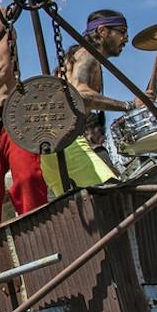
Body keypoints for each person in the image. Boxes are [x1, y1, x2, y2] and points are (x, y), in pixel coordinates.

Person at [43, 10, 129, 191]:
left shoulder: (79, 56)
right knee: (113, 195)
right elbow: (80, 94)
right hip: (67, 142)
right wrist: (127, 106)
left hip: (54, 144)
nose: (126, 39)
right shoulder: (88, 55)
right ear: (103, 31)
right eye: (121, 31)